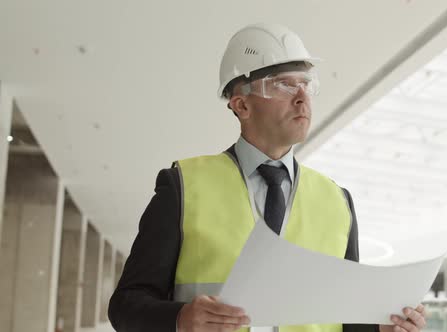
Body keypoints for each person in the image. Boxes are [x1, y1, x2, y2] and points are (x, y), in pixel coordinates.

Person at [108, 23, 427, 332]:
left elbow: (343, 318)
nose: (302, 97)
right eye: (284, 84)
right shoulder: (183, 187)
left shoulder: (337, 202)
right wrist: (180, 319)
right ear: (242, 104)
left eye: (306, 83)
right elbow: (125, 306)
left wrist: (380, 327)